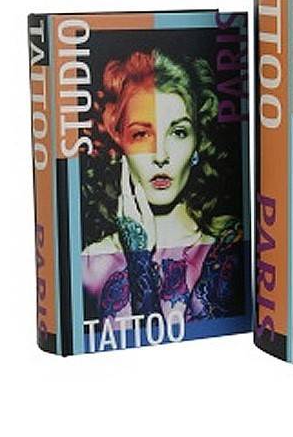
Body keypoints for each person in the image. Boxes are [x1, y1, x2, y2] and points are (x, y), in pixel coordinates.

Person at [81, 49, 243, 330]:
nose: (160, 156)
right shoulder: (89, 265)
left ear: (197, 142)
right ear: (119, 142)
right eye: (141, 134)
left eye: (178, 132)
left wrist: (140, 262)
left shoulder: (226, 249)